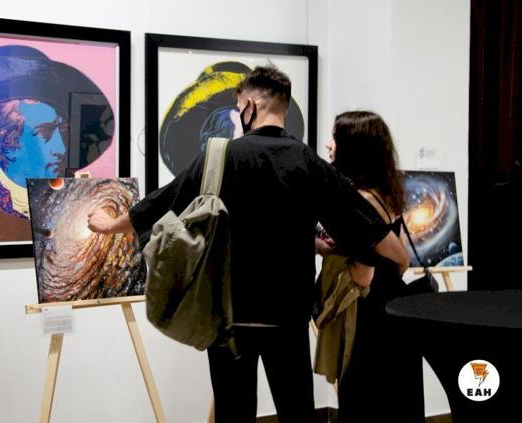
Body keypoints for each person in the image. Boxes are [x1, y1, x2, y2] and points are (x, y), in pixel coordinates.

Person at [87, 66, 409, 422]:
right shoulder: (307, 161)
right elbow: (358, 224)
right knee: (297, 411)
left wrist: (109, 225)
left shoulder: (220, 156)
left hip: (229, 315)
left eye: (240, 106)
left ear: (251, 106)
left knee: (233, 412)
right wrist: (393, 258)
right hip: (289, 317)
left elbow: (163, 201)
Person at [0, 45, 114, 244]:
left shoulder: (88, 209)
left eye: (63, 131)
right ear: (8, 144)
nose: (62, 148)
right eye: (46, 133)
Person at [322, 111, 424, 423]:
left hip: (367, 313)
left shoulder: (358, 201)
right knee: (397, 395)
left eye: (335, 138)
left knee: (363, 395)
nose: (328, 145)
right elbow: (400, 258)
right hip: (394, 307)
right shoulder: (386, 194)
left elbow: (362, 273)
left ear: (353, 148)